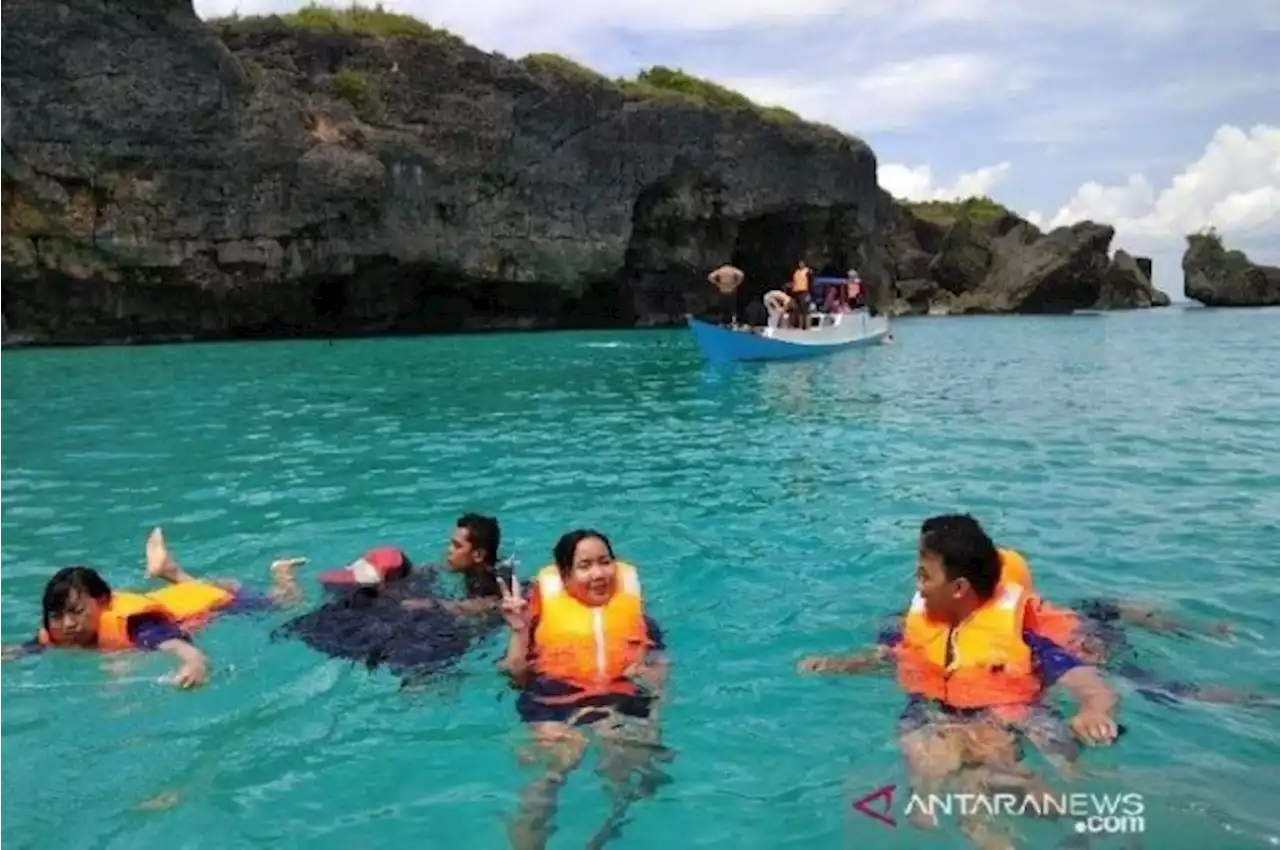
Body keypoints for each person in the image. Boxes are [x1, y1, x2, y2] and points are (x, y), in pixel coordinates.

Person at [799, 515, 1119, 844]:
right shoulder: (910, 626)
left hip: (1001, 717)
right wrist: (838, 663)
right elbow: (887, 655)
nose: (917, 584)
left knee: (990, 776)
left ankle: (1087, 826)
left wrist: (1094, 710)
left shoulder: (1022, 637)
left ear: (959, 587)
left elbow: (1084, 680)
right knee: (934, 772)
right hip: (933, 713)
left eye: (924, 575)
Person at [498, 530, 671, 850]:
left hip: (621, 702)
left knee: (625, 770)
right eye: (585, 565)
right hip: (555, 701)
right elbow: (515, 677)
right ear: (564, 576)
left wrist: (653, 724)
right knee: (553, 771)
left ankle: (601, 839)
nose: (598, 573)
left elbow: (660, 682)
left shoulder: (643, 623)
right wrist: (519, 630)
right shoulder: (535, 623)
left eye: (605, 562)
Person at [1, 527, 306, 689]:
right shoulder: (60, 633)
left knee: (286, 603)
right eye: (57, 616)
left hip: (214, 604)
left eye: (76, 612)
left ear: (103, 602)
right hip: (182, 596)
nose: (67, 624)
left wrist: (193, 665)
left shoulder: (137, 626)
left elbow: (182, 647)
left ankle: (281, 573)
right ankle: (169, 571)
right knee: (205, 586)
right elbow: (22, 650)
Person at [272, 514, 514, 684]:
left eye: (456, 546)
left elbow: (493, 604)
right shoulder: (458, 569)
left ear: (478, 554)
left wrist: (435, 604)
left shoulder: (494, 580)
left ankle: (287, 592)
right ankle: (288, 590)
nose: (448, 550)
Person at [787, 260, 811, 329]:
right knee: (797, 309)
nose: (800, 265)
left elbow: (811, 275)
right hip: (796, 293)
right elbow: (795, 282)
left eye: (802, 263)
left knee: (805, 310)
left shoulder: (807, 271)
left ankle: (805, 326)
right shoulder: (796, 272)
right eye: (799, 263)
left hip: (803, 292)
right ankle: (798, 325)